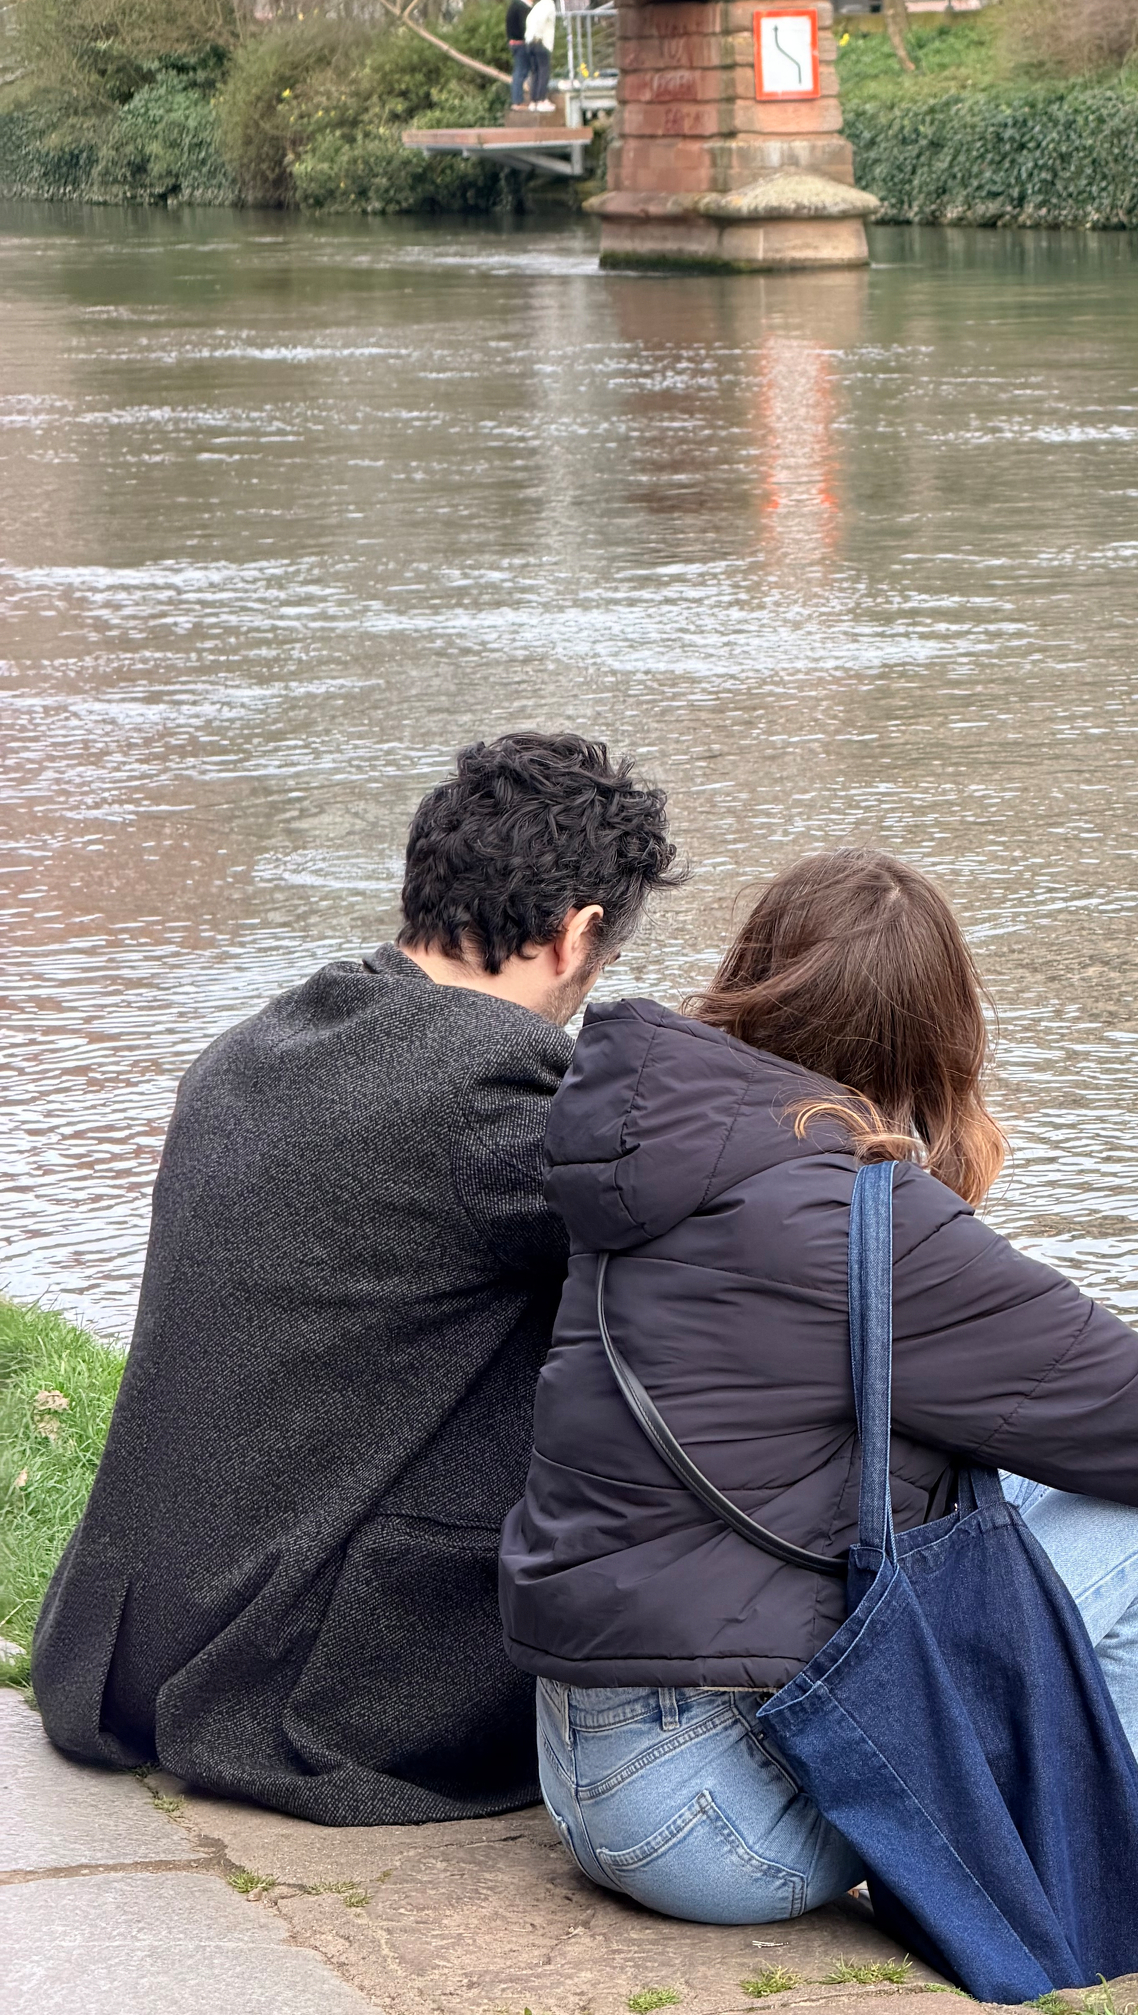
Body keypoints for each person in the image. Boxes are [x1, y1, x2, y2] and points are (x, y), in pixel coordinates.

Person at [499, 850, 1138, 2013]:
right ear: (935, 1034)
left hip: (594, 1768)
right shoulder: (850, 1216)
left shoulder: (657, 1154)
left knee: (1010, 1496)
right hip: (717, 1825)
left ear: (755, 979)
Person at [33, 733, 681, 1825]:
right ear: (578, 935)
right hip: (292, 1695)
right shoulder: (494, 1090)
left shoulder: (251, 1046)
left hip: (117, 1652)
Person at [524, 0, 558, 110]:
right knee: (544, 71)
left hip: (529, 42)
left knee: (535, 72)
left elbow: (529, 20)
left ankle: (533, 101)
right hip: (541, 42)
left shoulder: (537, 6)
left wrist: (530, 37)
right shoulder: (549, 5)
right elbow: (542, 20)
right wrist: (539, 36)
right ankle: (542, 100)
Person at [505, 0, 538, 106]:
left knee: (522, 71)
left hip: (515, 42)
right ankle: (517, 101)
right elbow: (525, 26)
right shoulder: (521, 7)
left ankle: (520, 100)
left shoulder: (516, 5)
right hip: (520, 43)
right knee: (520, 72)